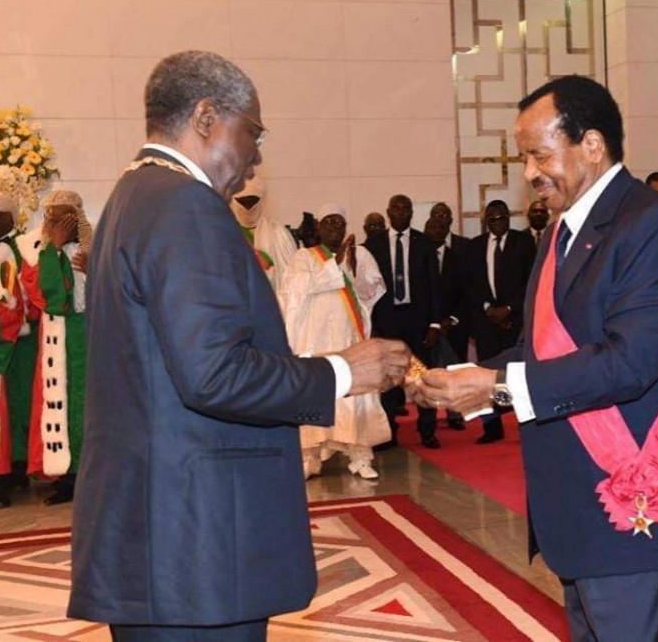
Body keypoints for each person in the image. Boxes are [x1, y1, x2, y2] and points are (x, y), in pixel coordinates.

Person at [67, 50, 409, 641]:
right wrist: (342, 371)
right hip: (199, 546)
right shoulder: (185, 205)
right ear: (206, 117)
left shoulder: (131, 196)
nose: (257, 155)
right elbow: (214, 375)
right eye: (253, 131)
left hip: (155, 539)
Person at [414, 75, 658, 641]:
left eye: (539, 154)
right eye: (524, 158)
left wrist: (498, 387)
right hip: (580, 513)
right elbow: (543, 348)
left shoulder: (652, 223)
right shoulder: (562, 232)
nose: (529, 173)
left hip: (640, 511)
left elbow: (630, 362)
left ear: (592, 144)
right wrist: (463, 378)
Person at [279, 204, 389, 479]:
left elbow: (371, 291)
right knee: (315, 393)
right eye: (329, 222)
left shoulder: (359, 253)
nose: (335, 228)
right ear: (319, 227)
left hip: (348, 338)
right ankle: (310, 459)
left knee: (355, 394)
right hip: (315, 341)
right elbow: (297, 290)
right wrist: (335, 264)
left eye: (340, 223)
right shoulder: (304, 256)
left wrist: (354, 269)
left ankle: (360, 457)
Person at [18, 189, 93, 506]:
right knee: (60, 405)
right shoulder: (40, 253)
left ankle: (89, 474)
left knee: (87, 405)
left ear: (77, 218)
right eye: (52, 217)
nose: (56, 223)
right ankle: (66, 475)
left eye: (64, 217)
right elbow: (53, 299)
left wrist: (94, 269)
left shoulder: (95, 248)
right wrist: (56, 249)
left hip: (89, 337)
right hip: (57, 339)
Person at [363, 194, 442, 449]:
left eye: (405, 208)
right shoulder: (372, 245)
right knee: (388, 379)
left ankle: (427, 430)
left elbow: (434, 286)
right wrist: (371, 324)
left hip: (417, 321)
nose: (400, 212)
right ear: (388, 212)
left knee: (421, 376)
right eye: (395, 208)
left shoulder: (424, 243)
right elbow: (366, 286)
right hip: (387, 321)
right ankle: (388, 432)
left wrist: (435, 324)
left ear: (411, 213)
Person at [465, 199, 535, 444]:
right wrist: (489, 309)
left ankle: (526, 426)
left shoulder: (523, 242)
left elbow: (531, 281)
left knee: (516, 376)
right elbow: (470, 284)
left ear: (508, 218)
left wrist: (508, 309)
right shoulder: (475, 246)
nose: (497, 222)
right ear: (486, 221)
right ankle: (492, 427)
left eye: (502, 218)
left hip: (516, 322)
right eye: (492, 219)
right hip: (486, 323)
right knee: (488, 375)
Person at [0, 192, 26, 509]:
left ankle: (6, 475)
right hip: (2, 340)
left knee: (8, 410)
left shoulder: (14, 251)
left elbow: (11, 304)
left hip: (7, 342)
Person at [423, 214, 468, 431]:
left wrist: (452, 319)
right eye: (431, 227)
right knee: (428, 374)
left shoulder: (458, 258)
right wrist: (431, 322)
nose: (436, 231)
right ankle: (428, 419)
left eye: (441, 227)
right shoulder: (418, 256)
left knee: (454, 372)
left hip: (452, 326)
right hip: (426, 327)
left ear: (447, 230)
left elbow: (466, 293)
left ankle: (455, 413)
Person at [230, 177, 297, 293]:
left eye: (253, 201)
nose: (248, 206)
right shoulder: (226, 233)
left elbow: (292, 278)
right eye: (242, 201)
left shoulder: (278, 233)